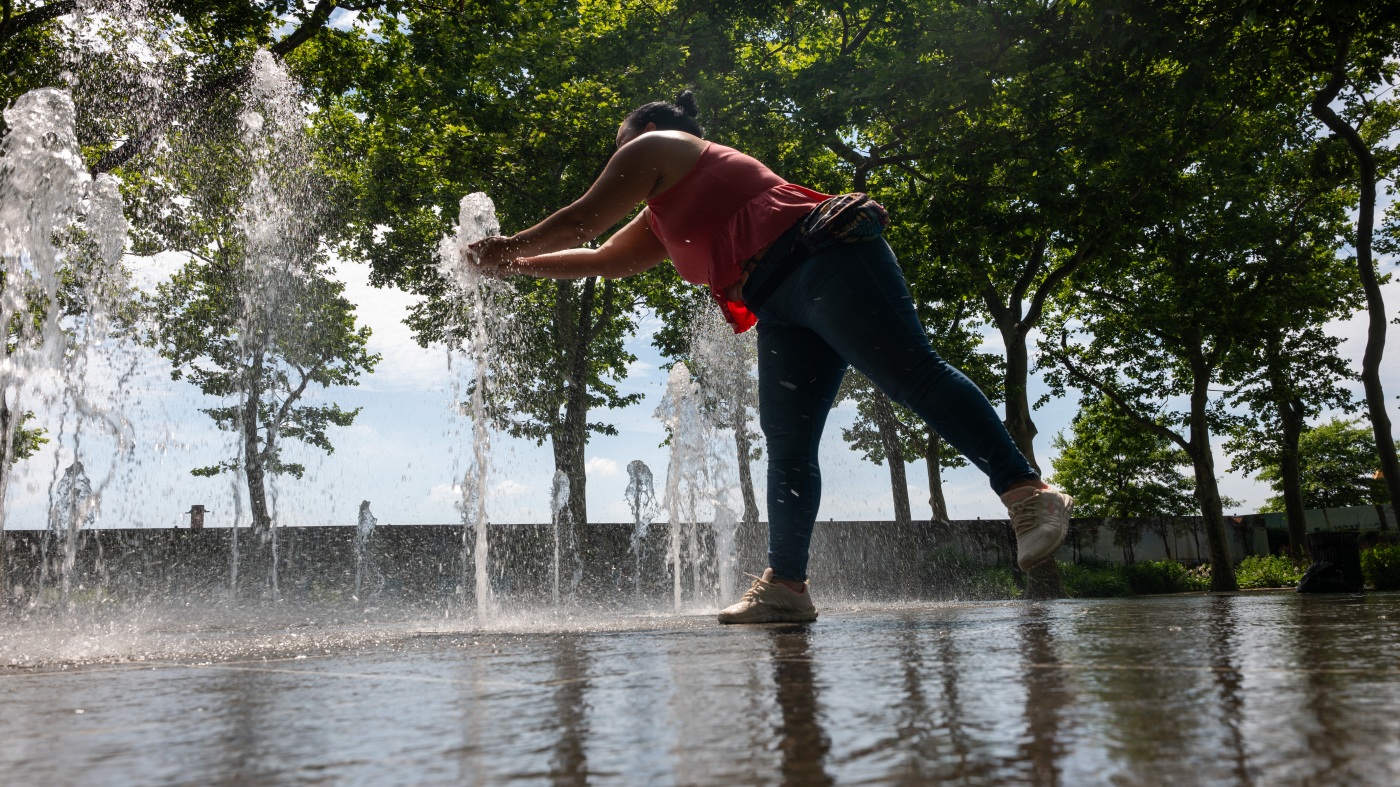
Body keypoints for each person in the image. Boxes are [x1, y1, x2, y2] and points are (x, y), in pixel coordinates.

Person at [470, 91, 1072, 624]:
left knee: (913, 373)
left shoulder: (660, 145)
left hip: (824, 261)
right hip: (779, 304)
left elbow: (582, 220)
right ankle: (786, 586)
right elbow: (604, 258)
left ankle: (1027, 492)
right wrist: (514, 267)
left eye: (615, 155)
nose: (615, 168)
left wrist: (505, 247)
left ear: (635, 140)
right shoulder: (662, 217)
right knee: (786, 443)